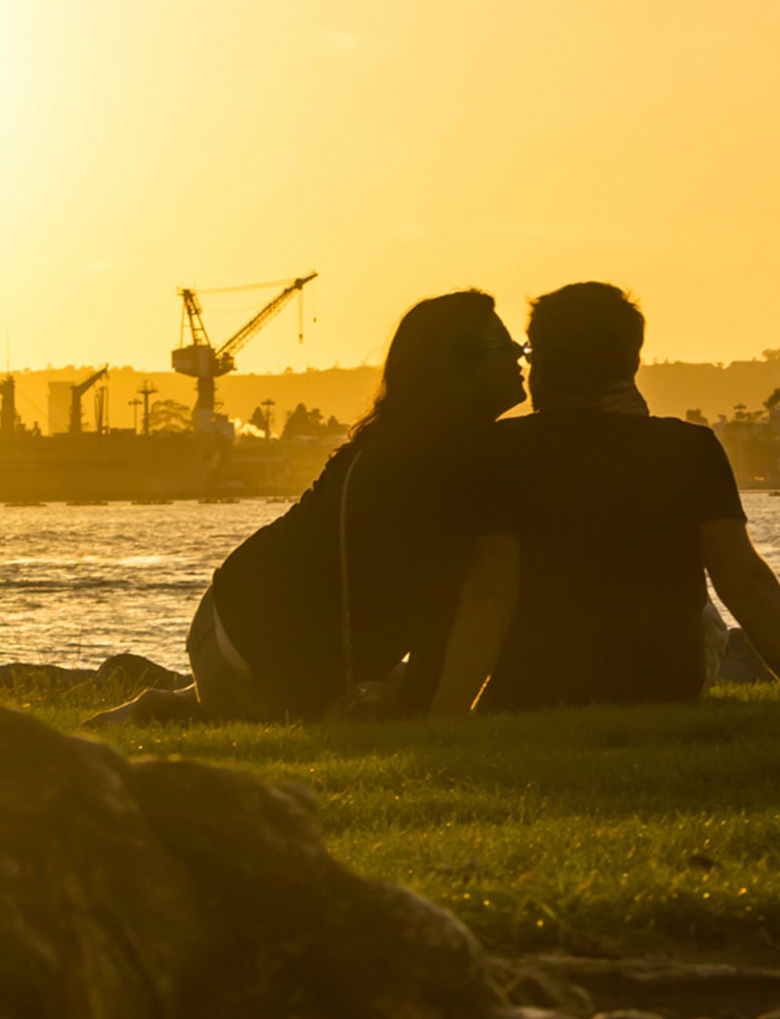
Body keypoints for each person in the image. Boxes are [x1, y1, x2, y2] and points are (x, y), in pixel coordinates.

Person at [91, 291, 524, 725]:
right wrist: (443, 719)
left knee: (316, 688)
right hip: (264, 652)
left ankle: (170, 706)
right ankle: (195, 703)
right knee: (382, 698)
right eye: (500, 345)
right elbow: (484, 592)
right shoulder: (461, 459)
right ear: (459, 364)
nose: (518, 355)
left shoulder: (381, 443)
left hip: (224, 624)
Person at [430, 282, 780, 712]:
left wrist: (448, 712)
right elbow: (744, 581)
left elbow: (492, 590)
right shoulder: (689, 448)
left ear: (544, 361)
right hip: (662, 689)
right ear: (631, 361)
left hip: (536, 689)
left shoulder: (503, 450)